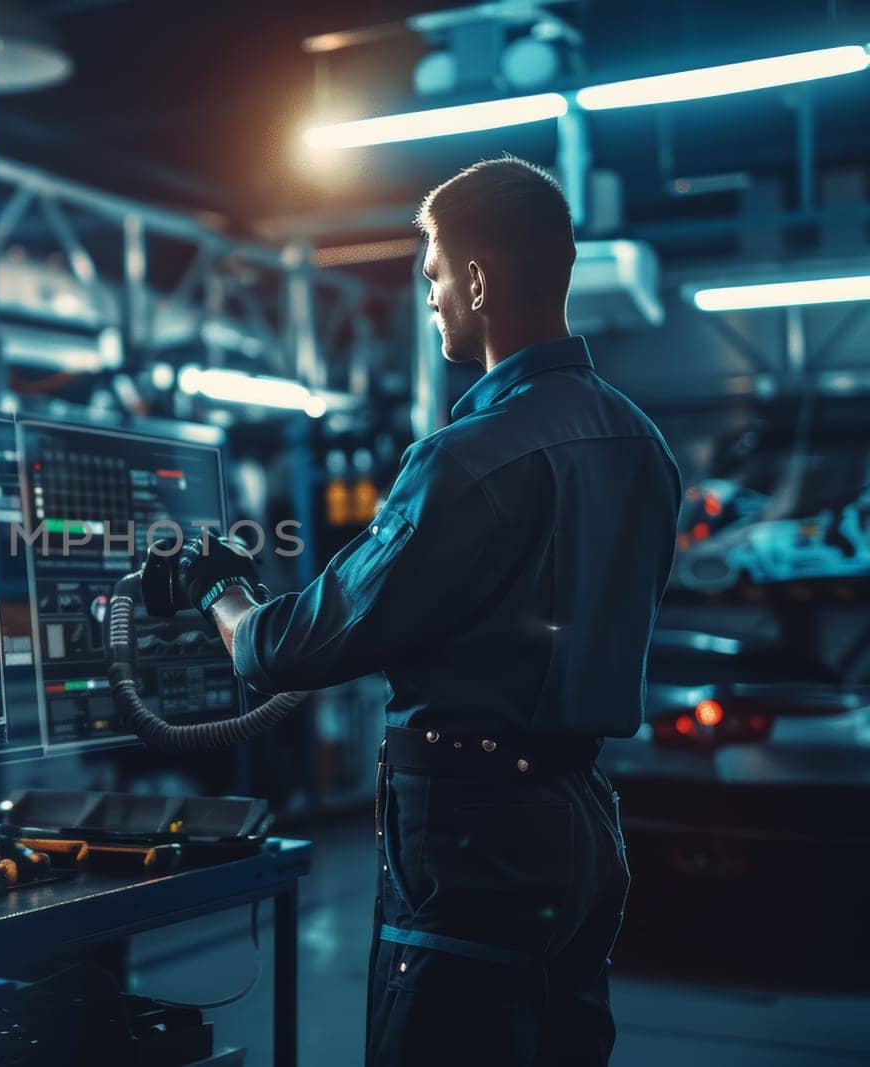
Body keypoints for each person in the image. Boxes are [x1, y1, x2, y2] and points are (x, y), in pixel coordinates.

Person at [174, 156, 682, 1066]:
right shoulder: (641, 446)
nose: (430, 293)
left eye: (435, 272)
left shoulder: (466, 460)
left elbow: (285, 647)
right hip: (584, 826)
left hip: (472, 841)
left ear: (479, 279)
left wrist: (221, 589)